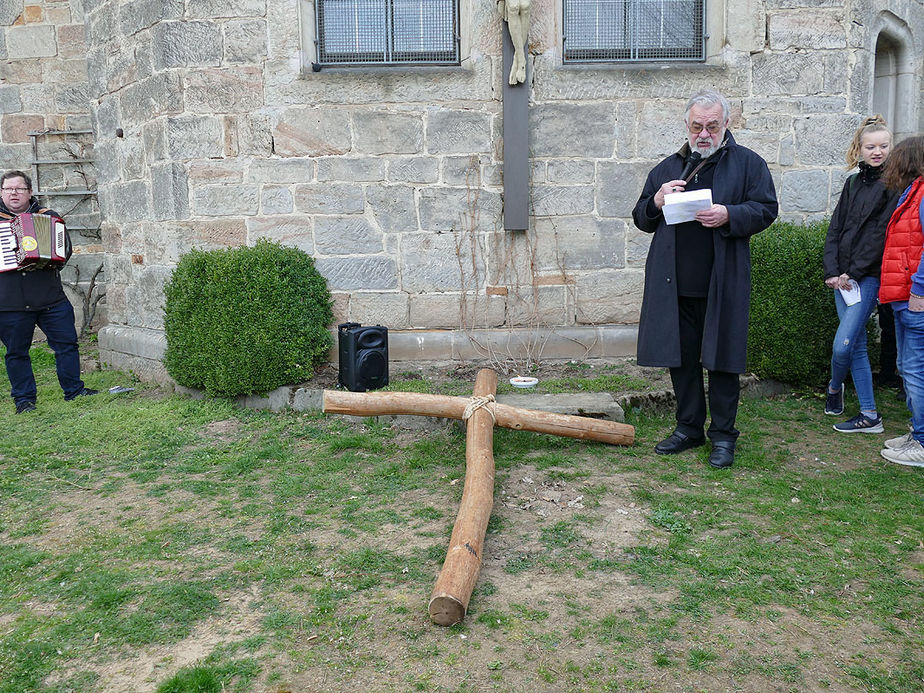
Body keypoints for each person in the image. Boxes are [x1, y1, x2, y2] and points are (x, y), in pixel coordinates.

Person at [632, 89, 778, 469]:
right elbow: (641, 218)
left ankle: (724, 436)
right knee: (681, 360)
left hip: (722, 281)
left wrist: (730, 214)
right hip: (675, 284)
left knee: (723, 360)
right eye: (697, 126)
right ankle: (688, 427)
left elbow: (766, 209)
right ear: (687, 125)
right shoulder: (667, 168)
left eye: (712, 126)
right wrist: (657, 201)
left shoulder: (748, 164)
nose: (704, 134)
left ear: (726, 124)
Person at [822, 116, 899, 433]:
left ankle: (833, 387)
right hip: (840, 279)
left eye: (883, 146)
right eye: (871, 146)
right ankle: (870, 415)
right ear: (860, 149)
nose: (877, 151)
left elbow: (879, 235)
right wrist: (832, 271)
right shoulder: (852, 183)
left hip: (865, 278)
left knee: (844, 344)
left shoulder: (893, 186)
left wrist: (851, 273)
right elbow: (836, 229)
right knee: (856, 346)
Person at [0, 170, 96, 413]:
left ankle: (74, 390)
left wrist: (55, 259)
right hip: (10, 302)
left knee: (67, 344)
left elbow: (65, 250)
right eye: (9, 188)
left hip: (50, 298)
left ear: (29, 192)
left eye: (19, 189)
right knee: (16, 353)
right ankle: (24, 400)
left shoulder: (48, 217)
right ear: (1, 192)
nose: (14, 193)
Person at [877, 135, 924, 467]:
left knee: (915, 369)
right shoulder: (913, 192)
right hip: (902, 297)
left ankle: (922, 442)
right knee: (910, 368)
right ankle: (917, 431)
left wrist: (919, 290)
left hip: (916, 300)